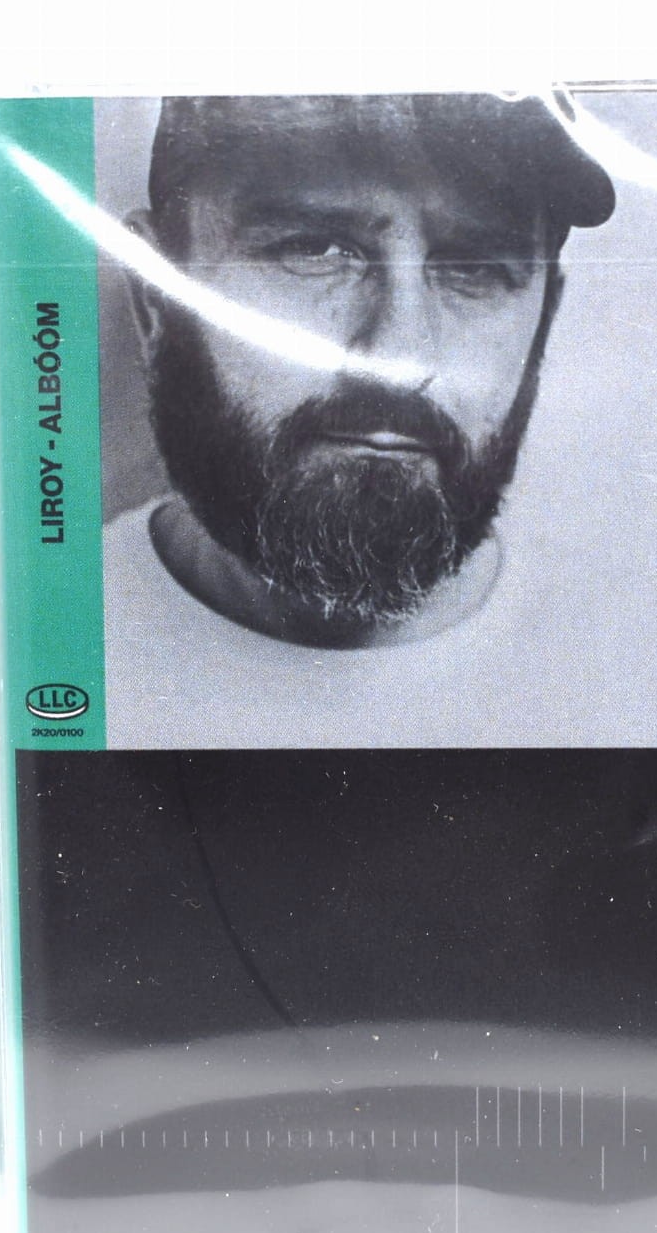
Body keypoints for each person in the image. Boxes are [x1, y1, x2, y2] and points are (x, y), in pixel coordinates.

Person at [100, 93, 619, 746]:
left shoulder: (643, 677)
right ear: (156, 297)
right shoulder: (50, 642)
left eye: (475, 268)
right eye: (314, 249)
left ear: (544, 317)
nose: (400, 357)